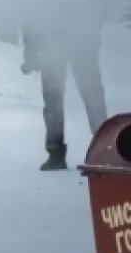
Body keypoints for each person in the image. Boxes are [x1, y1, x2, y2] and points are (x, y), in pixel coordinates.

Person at [19, 17, 107, 171]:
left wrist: (30, 52)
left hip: (71, 38)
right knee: (86, 95)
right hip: (65, 39)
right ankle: (105, 147)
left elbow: (30, 11)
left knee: (87, 94)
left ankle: (103, 147)